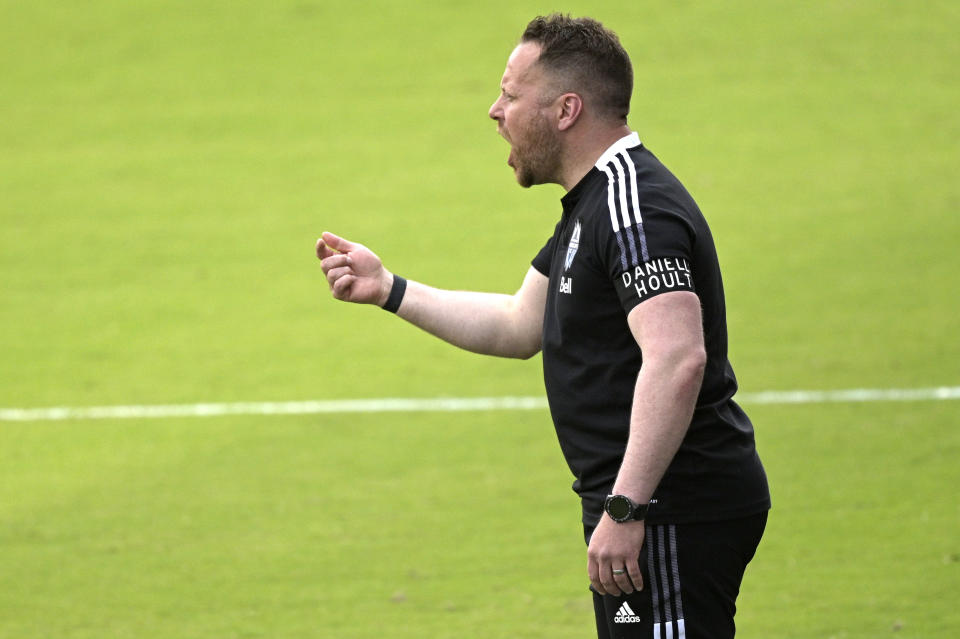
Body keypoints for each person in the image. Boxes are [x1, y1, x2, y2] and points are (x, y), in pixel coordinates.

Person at [317, 14, 770, 639]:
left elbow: (677, 358)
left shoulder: (632, 210)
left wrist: (626, 505)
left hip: (671, 511)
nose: (494, 111)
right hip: (651, 508)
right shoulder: (593, 205)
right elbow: (517, 324)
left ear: (566, 110)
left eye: (510, 94)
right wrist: (390, 289)